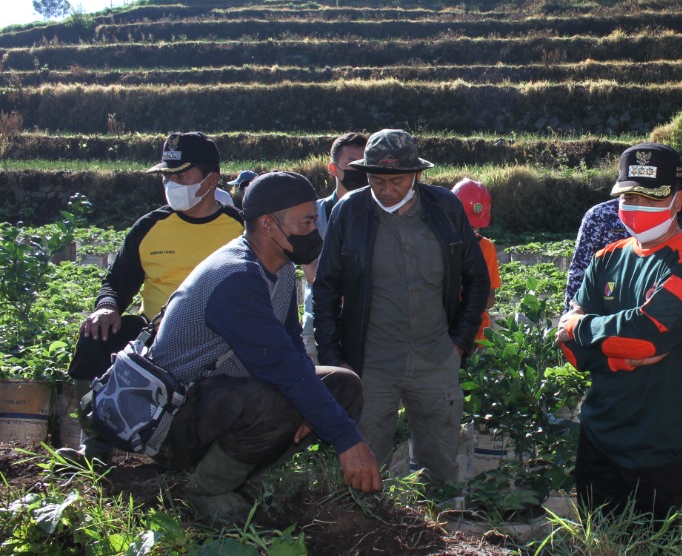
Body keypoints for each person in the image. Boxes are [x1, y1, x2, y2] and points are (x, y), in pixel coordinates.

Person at [140, 171, 380, 522]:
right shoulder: (236, 278)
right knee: (278, 397)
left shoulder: (278, 266)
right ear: (268, 225)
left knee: (341, 385)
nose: (314, 232)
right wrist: (347, 440)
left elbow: (292, 345)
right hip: (172, 420)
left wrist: (314, 410)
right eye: (307, 222)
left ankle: (242, 473)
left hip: (219, 401)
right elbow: (283, 367)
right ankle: (208, 489)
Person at [312, 129, 489, 483]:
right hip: (371, 363)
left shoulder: (444, 208)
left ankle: (439, 525)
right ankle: (369, 531)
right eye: (378, 180)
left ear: (417, 175)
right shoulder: (350, 211)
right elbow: (326, 289)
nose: (388, 190)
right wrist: (334, 358)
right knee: (364, 461)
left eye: (398, 181)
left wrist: (458, 344)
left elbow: (477, 280)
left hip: (436, 357)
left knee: (439, 463)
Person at [556, 143, 682, 520]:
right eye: (629, 196)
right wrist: (623, 359)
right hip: (599, 431)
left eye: (650, 197)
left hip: (660, 439)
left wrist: (583, 326)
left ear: (677, 201)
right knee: (599, 545)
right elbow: (570, 350)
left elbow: (646, 337)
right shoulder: (605, 259)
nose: (636, 206)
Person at [62, 131, 243, 466]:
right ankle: (96, 446)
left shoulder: (240, 230)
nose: (171, 182)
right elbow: (116, 282)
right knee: (94, 334)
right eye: (166, 175)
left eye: (181, 175)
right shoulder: (150, 227)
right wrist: (107, 307)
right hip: (153, 336)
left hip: (214, 340)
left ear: (211, 179)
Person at [300, 133, 367, 362]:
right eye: (351, 163)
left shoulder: (380, 216)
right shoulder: (314, 215)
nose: (359, 169)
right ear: (333, 168)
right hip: (318, 326)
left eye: (364, 162)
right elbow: (312, 272)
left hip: (368, 329)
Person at [452, 178, 501, 343]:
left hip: (476, 334)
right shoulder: (434, 242)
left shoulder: (486, 248)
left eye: (473, 227)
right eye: (465, 224)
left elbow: (489, 300)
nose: (468, 231)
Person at [565, 197, 627, 310]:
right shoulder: (600, 214)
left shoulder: (665, 212)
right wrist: (570, 312)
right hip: (605, 301)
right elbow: (580, 266)